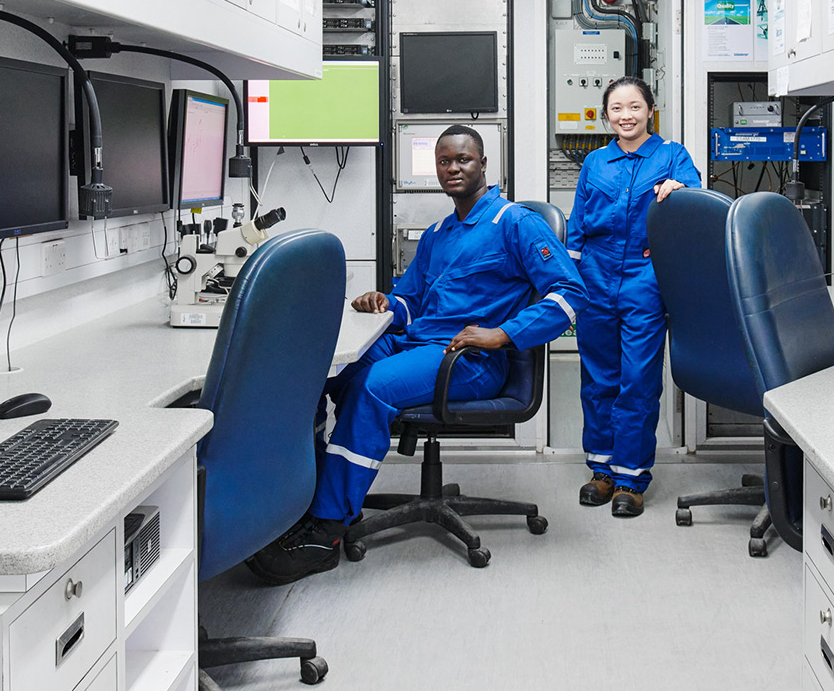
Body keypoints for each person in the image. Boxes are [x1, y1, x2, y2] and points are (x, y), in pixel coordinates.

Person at [247, 124, 585, 584]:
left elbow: (569, 294)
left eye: (463, 159)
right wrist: (384, 302)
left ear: (484, 165)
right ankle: (303, 499)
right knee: (328, 372)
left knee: (371, 388)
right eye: (444, 161)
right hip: (419, 342)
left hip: (467, 359)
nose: (453, 168)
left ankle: (326, 529)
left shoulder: (516, 224)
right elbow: (412, 302)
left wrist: (502, 334)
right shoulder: (438, 232)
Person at [568, 76, 701, 518]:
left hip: (646, 276)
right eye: (617, 109)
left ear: (650, 110)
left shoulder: (670, 156)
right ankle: (601, 469)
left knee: (638, 379)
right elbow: (577, 226)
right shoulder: (595, 163)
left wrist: (680, 191)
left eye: (634, 107)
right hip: (596, 275)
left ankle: (631, 477)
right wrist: (570, 280)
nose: (626, 116)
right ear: (606, 115)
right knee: (598, 377)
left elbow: (696, 199)